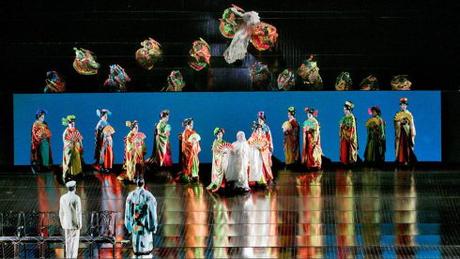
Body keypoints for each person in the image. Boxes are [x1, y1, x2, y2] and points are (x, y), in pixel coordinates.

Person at [124, 178, 158, 256]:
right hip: (145, 223)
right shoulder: (149, 196)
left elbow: (127, 213)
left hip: (136, 223)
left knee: (136, 238)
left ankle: (137, 249)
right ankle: (145, 250)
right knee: (145, 238)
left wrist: (129, 225)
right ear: (143, 184)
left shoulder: (131, 195)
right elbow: (152, 211)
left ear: (137, 184)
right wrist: (153, 225)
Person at [59, 180, 82, 259]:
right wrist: (80, 223)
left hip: (66, 224)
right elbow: (78, 212)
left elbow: (61, 212)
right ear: (75, 187)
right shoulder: (76, 198)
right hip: (75, 224)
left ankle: (68, 257)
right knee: (75, 243)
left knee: (68, 243)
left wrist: (62, 223)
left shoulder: (63, 198)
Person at [248, 122, 273, 187]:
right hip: (255, 155)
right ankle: (255, 181)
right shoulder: (253, 137)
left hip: (262, 154)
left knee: (262, 166)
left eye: (260, 129)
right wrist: (254, 146)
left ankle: (262, 180)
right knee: (255, 166)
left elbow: (266, 143)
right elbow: (249, 143)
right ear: (256, 130)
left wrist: (261, 147)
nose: (259, 130)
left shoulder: (263, 136)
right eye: (258, 129)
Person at [206, 128, 231, 192]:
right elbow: (215, 151)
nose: (220, 135)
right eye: (219, 134)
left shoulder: (224, 142)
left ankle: (223, 183)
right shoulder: (215, 142)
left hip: (223, 159)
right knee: (217, 170)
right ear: (216, 135)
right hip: (217, 159)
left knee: (224, 170)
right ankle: (216, 183)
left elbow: (227, 149)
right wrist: (221, 152)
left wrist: (226, 151)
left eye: (221, 134)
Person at [394, 98, 417, 166]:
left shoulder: (409, 114)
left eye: (404, 105)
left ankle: (408, 160)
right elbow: (395, 122)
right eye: (402, 105)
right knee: (400, 146)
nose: (403, 106)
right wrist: (399, 122)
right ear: (400, 106)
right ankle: (400, 160)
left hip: (407, 134)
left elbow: (412, 124)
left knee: (407, 146)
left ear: (406, 106)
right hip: (400, 133)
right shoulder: (397, 114)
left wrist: (407, 124)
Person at [62, 115, 84, 182]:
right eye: (71, 123)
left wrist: (81, 144)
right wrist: (71, 143)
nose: (72, 124)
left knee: (77, 161)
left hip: (76, 148)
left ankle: (77, 174)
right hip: (69, 149)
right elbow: (65, 141)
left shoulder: (76, 130)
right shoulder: (66, 132)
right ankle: (67, 175)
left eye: (73, 123)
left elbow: (79, 138)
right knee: (69, 162)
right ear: (68, 124)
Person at [180, 118, 201, 182]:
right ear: (187, 125)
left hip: (194, 151)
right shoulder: (186, 132)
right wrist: (192, 143)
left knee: (195, 162)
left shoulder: (193, 132)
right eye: (191, 124)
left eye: (192, 123)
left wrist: (196, 142)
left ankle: (195, 175)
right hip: (189, 151)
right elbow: (186, 142)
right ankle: (190, 175)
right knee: (189, 162)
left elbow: (197, 139)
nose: (192, 125)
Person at [339, 101, 358, 165]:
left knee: (349, 148)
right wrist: (341, 126)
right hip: (344, 135)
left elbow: (351, 127)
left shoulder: (351, 117)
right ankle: (344, 162)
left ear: (348, 109)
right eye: (344, 109)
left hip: (349, 135)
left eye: (345, 109)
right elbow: (341, 125)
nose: (344, 110)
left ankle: (350, 161)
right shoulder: (343, 118)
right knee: (344, 148)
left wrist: (344, 126)